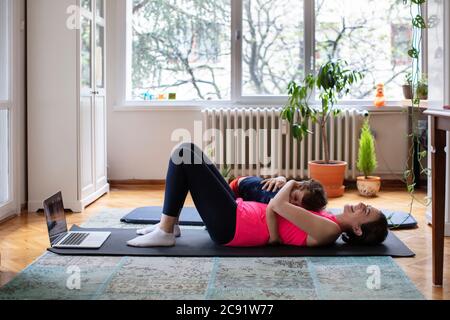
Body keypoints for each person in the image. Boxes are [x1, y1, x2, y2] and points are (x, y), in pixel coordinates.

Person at [127, 143, 388, 248]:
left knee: (183, 153)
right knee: (189, 151)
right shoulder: (327, 216)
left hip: (234, 226)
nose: (361, 205)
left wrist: (290, 180)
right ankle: (170, 227)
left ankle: (165, 232)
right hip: (237, 212)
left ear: (357, 230)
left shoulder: (328, 230)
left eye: (365, 212)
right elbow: (280, 204)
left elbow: (278, 205)